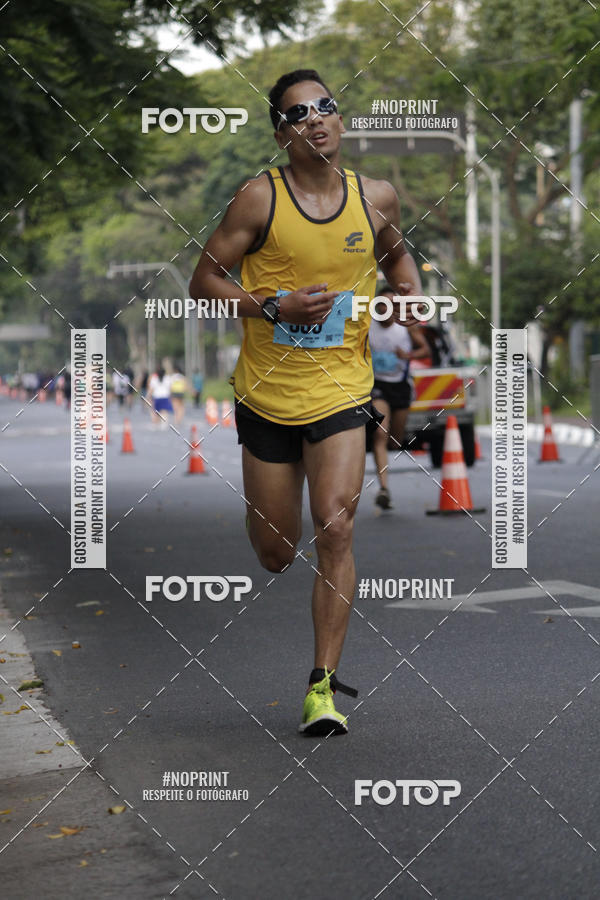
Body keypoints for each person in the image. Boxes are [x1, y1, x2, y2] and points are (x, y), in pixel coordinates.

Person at [189, 69, 422, 736]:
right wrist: (270, 305)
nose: (315, 119)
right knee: (276, 551)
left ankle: (322, 687)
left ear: (340, 119)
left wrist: (404, 292)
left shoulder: (376, 196)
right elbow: (203, 278)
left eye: (325, 107)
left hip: (343, 388)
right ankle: (273, 538)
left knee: (338, 526)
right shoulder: (258, 199)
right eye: (298, 114)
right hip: (266, 395)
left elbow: (399, 256)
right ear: (281, 133)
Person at [369, 287, 430, 510]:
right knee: (380, 432)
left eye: (393, 305)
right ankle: (384, 489)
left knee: (395, 440)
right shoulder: (367, 326)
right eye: (383, 305)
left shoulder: (406, 327)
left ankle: (386, 446)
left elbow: (426, 350)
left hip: (401, 385)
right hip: (377, 386)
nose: (387, 310)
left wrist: (409, 355)